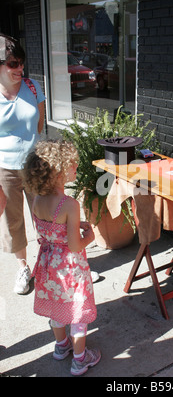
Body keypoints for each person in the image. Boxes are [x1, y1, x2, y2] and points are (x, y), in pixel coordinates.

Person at [22, 140, 101, 376]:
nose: (76, 166)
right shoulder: (69, 204)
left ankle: (61, 346)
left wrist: (74, 227)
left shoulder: (36, 199)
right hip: (70, 269)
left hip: (47, 265)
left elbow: (49, 232)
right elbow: (75, 245)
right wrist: (90, 236)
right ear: (57, 172)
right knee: (77, 311)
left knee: (56, 309)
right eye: (72, 164)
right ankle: (80, 359)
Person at [0, 33, 46, 294]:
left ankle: (52, 262)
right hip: (4, 167)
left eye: (21, 63)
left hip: (34, 164)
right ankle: (23, 267)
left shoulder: (32, 86)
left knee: (46, 214)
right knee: (13, 220)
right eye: (13, 64)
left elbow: (40, 121)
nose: (20, 69)